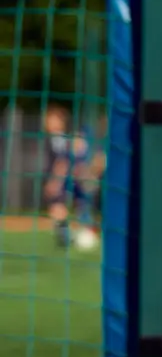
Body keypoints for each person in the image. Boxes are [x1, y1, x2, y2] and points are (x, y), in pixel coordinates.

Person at [43, 104, 99, 249]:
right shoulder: (50, 139)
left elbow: (65, 162)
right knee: (58, 209)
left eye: (52, 119)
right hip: (65, 178)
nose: (47, 122)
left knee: (79, 206)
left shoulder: (69, 138)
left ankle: (85, 233)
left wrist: (55, 180)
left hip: (72, 179)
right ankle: (68, 238)